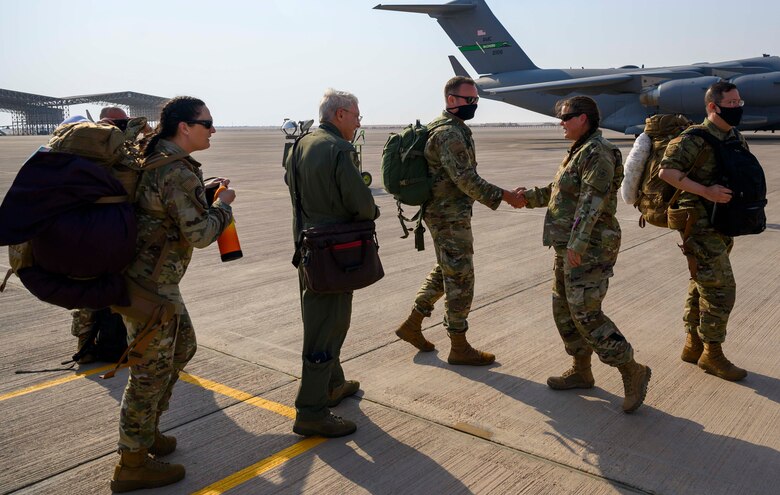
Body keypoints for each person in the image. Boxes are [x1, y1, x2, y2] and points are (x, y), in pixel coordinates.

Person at [111, 96, 235, 492]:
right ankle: (131, 463)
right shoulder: (176, 171)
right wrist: (224, 208)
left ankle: (147, 433)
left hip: (154, 282)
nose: (213, 129)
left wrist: (206, 195)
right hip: (149, 287)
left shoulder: (160, 157)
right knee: (149, 373)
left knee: (181, 349)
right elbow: (199, 235)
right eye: (207, 122)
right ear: (184, 126)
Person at [517, 96, 651, 413]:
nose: (561, 123)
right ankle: (581, 369)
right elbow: (559, 193)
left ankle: (632, 370)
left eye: (566, 117)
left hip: (590, 247)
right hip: (568, 245)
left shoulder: (599, 153)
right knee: (563, 310)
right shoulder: (579, 151)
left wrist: (577, 243)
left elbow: (592, 201)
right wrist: (527, 198)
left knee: (587, 314)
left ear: (584, 119)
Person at [393, 76, 526, 366]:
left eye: (476, 100)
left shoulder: (447, 127)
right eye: (469, 100)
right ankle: (459, 345)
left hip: (445, 212)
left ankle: (413, 323)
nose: (474, 104)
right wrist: (506, 196)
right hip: (447, 215)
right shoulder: (448, 134)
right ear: (451, 100)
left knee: (447, 269)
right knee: (461, 277)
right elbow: (466, 180)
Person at [283, 88, 379, 438]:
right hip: (333, 255)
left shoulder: (300, 145)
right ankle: (311, 410)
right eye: (356, 116)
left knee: (321, 320)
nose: (357, 122)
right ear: (340, 115)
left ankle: (333, 384)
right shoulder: (339, 149)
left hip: (306, 249)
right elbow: (362, 204)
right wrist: (373, 210)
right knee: (326, 329)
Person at [658, 81, 747, 381]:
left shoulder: (733, 136)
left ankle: (692, 344)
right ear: (713, 106)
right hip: (698, 223)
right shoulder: (692, 139)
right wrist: (706, 192)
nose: (738, 108)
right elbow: (667, 172)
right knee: (721, 288)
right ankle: (712, 353)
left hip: (723, 222)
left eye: (739, 102)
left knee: (702, 283)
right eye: (731, 103)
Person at [70, 107, 133, 365]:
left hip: (86, 232)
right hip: (106, 234)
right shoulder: (116, 152)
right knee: (106, 291)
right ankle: (107, 345)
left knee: (88, 293)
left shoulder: (82, 150)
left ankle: (86, 347)